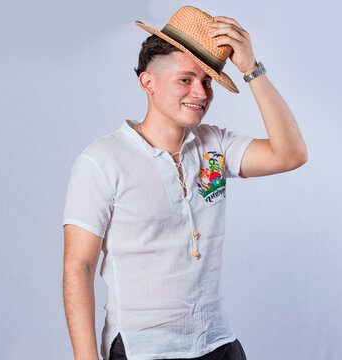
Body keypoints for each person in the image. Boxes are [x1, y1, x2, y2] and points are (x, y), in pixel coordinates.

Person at [62, 6, 307, 360]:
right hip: (144, 349)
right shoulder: (102, 160)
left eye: (207, 81)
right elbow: (78, 267)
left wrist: (252, 69)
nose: (201, 93)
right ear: (148, 82)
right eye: (186, 79)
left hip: (218, 342)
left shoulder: (214, 145)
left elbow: (291, 154)